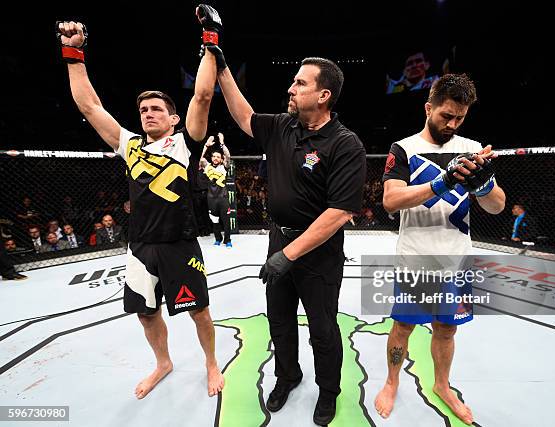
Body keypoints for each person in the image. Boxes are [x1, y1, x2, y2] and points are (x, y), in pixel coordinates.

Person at [56, 6, 225, 400]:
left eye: (156, 110)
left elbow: (202, 95)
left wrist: (210, 40)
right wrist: (73, 53)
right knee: (146, 313)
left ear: (173, 119)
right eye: (143, 110)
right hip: (139, 246)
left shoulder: (186, 142)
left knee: (199, 311)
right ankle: (163, 363)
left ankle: (211, 362)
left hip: (179, 244)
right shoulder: (130, 143)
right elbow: (90, 107)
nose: (147, 114)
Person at [209, 26, 366, 422]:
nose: (291, 88)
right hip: (279, 239)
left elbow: (338, 213)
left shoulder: (345, 144)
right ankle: (287, 376)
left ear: (323, 95)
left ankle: (328, 390)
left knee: (323, 330)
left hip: (319, 253)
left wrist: (288, 255)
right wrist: (221, 65)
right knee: (279, 321)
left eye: (300, 83)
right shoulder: (282, 126)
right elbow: (243, 115)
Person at [377, 73, 506, 423]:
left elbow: (498, 206)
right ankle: (391, 381)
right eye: (445, 115)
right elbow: (390, 200)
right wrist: (442, 181)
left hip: (456, 260)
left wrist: (481, 187)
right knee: (402, 327)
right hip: (415, 258)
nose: (451, 124)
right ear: (428, 107)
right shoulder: (403, 148)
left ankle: (442, 385)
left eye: (459, 118)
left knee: (447, 329)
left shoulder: (472, 148)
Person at [199, 132, 232, 247]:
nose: (216, 158)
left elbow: (228, 156)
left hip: (222, 198)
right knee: (214, 220)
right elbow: (200, 158)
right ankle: (218, 238)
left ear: (221, 159)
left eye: (218, 157)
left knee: (226, 221)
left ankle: (227, 240)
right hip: (211, 198)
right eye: (214, 156)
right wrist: (206, 146)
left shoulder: (224, 166)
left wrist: (222, 143)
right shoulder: (206, 166)